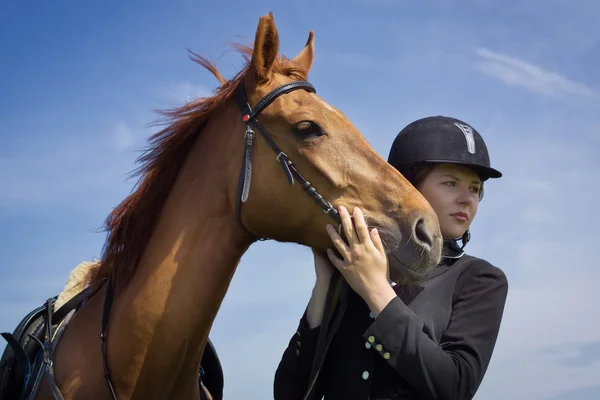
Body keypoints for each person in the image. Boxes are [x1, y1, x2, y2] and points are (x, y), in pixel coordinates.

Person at [273, 115, 509, 400]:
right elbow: (289, 393)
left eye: (474, 188)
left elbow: (455, 388)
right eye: (450, 183)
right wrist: (324, 285)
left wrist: (376, 290)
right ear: (406, 186)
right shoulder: (353, 271)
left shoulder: (480, 279)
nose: (467, 199)